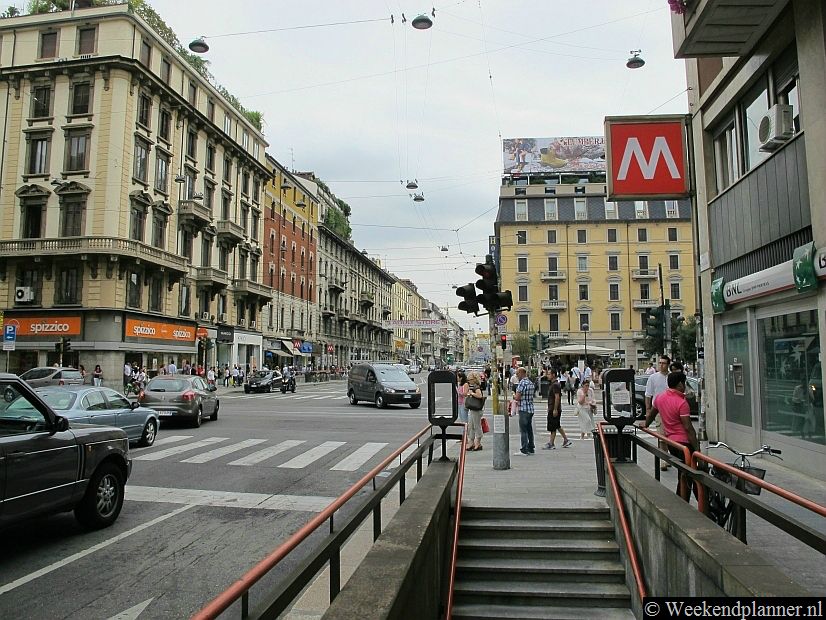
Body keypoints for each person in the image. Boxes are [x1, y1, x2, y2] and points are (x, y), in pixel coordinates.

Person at [644, 371, 698, 500]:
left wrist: (645, 424)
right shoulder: (681, 403)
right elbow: (688, 428)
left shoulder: (660, 398)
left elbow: (651, 414)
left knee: (683, 473)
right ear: (680, 384)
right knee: (692, 475)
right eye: (684, 383)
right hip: (684, 444)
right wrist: (697, 449)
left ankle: (685, 500)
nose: (685, 386)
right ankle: (700, 505)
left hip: (671, 442)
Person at [645, 355, 671, 469]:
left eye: (664, 363)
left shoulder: (671, 377)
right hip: (659, 411)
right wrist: (648, 409)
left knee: (671, 436)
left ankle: (669, 457)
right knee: (662, 435)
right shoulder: (653, 377)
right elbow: (648, 394)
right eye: (660, 363)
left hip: (671, 410)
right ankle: (663, 459)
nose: (661, 365)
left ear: (668, 364)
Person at [543, 369, 572, 449]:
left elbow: (557, 397)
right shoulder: (553, 384)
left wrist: (555, 409)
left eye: (549, 374)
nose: (547, 376)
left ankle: (551, 443)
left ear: (553, 375)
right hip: (552, 407)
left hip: (554, 408)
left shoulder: (555, 385)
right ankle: (565, 440)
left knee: (553, 426)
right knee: (557, 425)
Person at [513, 367, 536, 456]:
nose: (517, 376)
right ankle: (531, 447)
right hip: (530, 408)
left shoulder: (522, 383)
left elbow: (518, 397)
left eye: (517, 374)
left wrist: (514, 396)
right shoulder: (530, 383)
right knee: (529, 429)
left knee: (523, 430)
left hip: (523, 408)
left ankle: (524, 449)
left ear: (522, 373)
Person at [465, 372, 485, 451]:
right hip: (473, 409)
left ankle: (478, 442)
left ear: (474, 379)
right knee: (471, 426)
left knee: (476, 426)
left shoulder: (476, 387)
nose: (469, 381)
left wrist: (472, 394)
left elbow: (480, 396)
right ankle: (471, 442)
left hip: (476, 409)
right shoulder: (473, 386)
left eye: (470, 380)